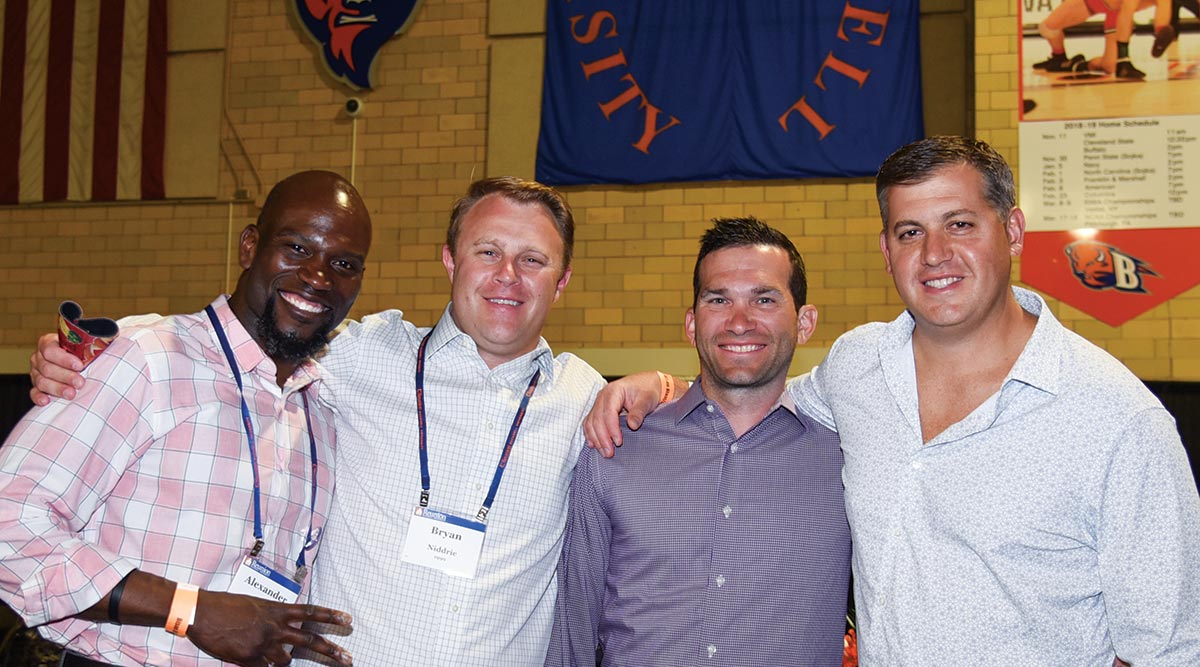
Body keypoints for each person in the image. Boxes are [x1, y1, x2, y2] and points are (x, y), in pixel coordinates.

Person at [585, 136, 1200, 666]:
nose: (935, 254)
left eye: (959, 223)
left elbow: (1169, 650)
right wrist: (666, 388)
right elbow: (755, 397)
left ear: (1012, 231)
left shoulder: (1117, 421)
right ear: (887, 251)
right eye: (911, 231)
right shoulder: (857, 368)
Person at [30, 176, 607, 665]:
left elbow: (693, 399)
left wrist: (655, 386)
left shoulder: (586, 398)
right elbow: (232, 338)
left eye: (533, 260)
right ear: (450, 260)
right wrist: (97, 350)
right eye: (487, 251)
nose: (508, 274)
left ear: (562, 282)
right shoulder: (358, 356)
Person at [0, 170, 372, 667]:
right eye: (298, 249)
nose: (319, 277)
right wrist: (189, 611)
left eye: (343, 263)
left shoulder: (321, 408)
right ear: (249, 247)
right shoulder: (146, 357)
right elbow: (10, 525)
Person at [543, 218, 849, 667]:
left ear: (805, 323)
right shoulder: (615, 446)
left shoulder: (848, 458)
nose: (739, 321)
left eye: (764, 299)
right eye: (718, 299)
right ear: (691, 323)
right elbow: (572, 625)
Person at [1032, 0, 1171, 79]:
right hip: (1094, 2)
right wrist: (1123, 57)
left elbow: (1129, 11)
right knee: (1047, 28)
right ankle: (1059, 56)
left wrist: (1161, 32)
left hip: (1116, 11)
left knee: (1110, 66)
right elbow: (1128, 10)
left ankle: (1081, 65)